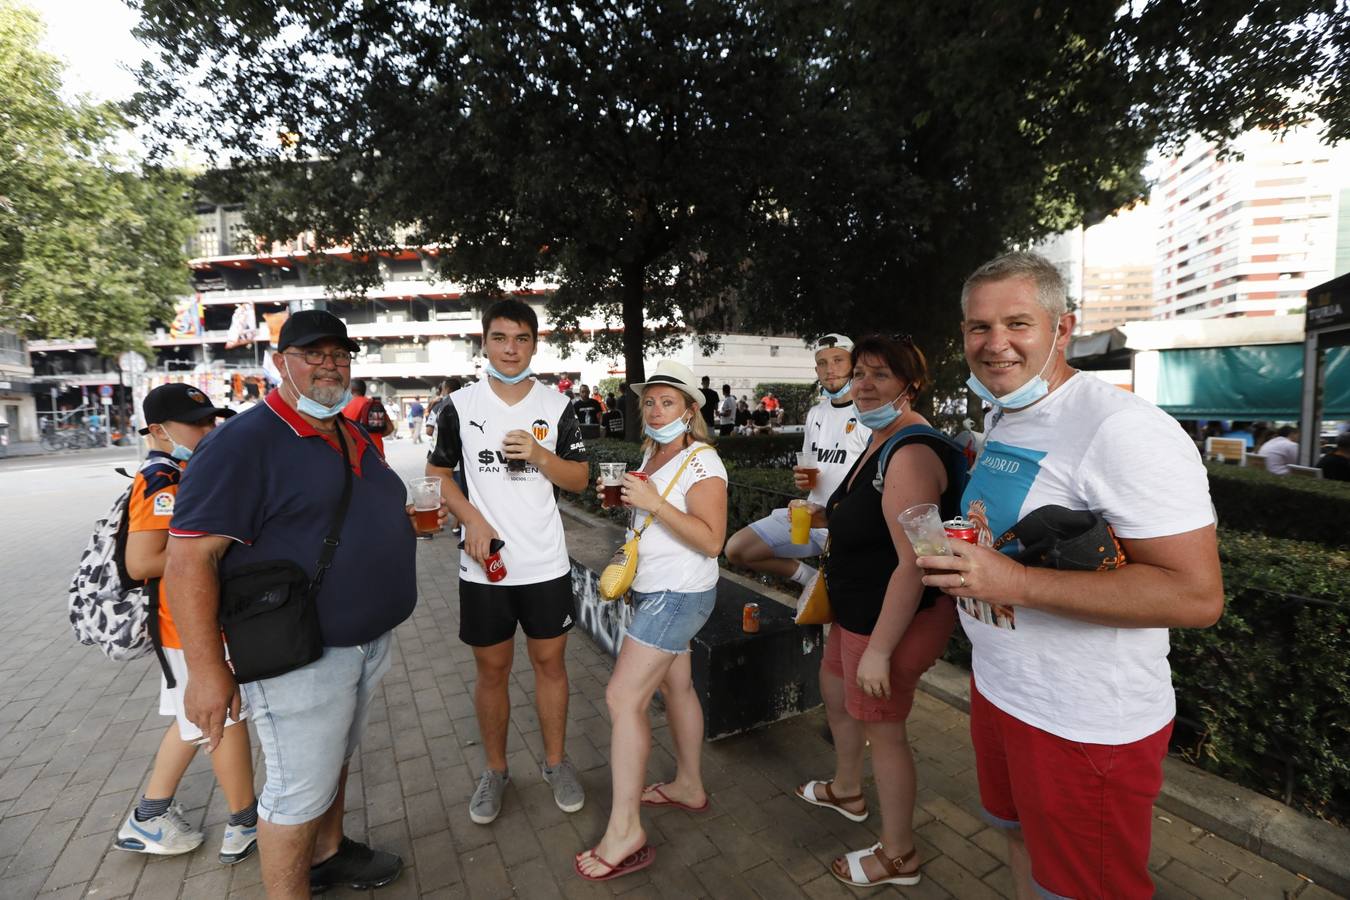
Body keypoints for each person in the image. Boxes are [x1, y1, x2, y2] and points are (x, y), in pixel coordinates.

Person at [918, 252, 1223, 899]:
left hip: (1084, 722)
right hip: (1003, 690)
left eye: (1017, 324)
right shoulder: (1005, 417)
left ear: (1064, 327)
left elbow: (1195, 595)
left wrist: (1017, 584)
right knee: (1017, 839)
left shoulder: (1124, 429)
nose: (995, 344)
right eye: (978, 327)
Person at [164, 310, 431, 897]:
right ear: (281, 361)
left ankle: (329, 852)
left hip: (364, 640)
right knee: (296, 790)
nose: (329, 365)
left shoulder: (348, 428)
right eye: (314, 354)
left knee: (332, 758)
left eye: (339, 355)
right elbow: (188, 560)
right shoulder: (243, 442)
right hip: (300, 651)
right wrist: (207, 671)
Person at [788, 335, 962, 889]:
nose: (863, 385)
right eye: (859, 373)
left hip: (890, 622)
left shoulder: (911, 452)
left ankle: (899, 854)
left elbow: (921, 561)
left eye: (879, 375)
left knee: (883, 732)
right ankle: (846, 788)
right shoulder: (879, 440)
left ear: (910, 385)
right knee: (836, 693)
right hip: (855, 610)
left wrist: (882, 652)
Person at [425, 297, 591, 826]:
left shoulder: (557, 405)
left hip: (545, 562)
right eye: (500, 337)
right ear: (485, 342)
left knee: (550, 665)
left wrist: (543, 456)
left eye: (521, 338)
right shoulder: (461, 405)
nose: (511, 348)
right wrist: (470, 517)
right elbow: (437, 475)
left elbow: (581, 479)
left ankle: (556, 763)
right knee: (492, 670)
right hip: (485, 568)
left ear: (535, 344)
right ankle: (495, 771)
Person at [576, 361, 727, 882]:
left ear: (690, 411)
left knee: (623, 698)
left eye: (668, 401)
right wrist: (628, 503)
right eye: (649, 401)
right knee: (678, 687)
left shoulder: (703, 461)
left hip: (675, 596)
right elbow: (656, 519)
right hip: (662, 589)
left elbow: (712, 541)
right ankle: (688, 784)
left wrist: (655, 503)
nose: (655, 409)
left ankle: (625, 831)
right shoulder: (654, 452)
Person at [115, 384, 257, 865]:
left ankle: (150, 815)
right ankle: (245, 822)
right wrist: (216, 544)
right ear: (158, 430)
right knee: (223, 715)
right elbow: (141, 561)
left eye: (210, 420)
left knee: (194, 719)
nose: (208, 429)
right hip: (184, 625)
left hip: (189, 620)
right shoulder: (160, 480)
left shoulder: (180, 470)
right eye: (196, 423)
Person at [726, 334, 870, 593]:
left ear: (854, 364)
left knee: (843, 608)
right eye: (823, 363)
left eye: (838, 360)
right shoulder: (816, 413)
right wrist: (803, 482)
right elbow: (811, 469)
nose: (830, 369)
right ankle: (812, 580)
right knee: (737, 549)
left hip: (848, 527)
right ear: (816, 370)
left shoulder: (869, 415)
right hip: (811, 517)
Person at [342, 378, 395, 454]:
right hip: (377, 450)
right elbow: (390, 428)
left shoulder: (344, 406)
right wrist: (375, 436)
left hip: (356, 453)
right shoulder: (374, 404)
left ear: (351, 390)